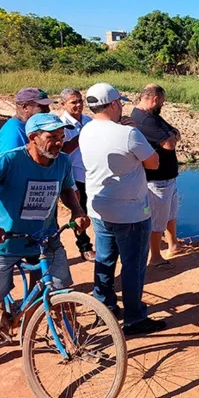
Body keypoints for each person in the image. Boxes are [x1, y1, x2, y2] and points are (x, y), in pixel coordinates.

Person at [0, 113, 90, 377]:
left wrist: (77, 211)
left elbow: (68, 190)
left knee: (62, 294)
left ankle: (71, 341)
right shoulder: (9, 160)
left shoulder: (63, 162)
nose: (59, 143)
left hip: (45, 239)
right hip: (6, 244)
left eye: (61, 137)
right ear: (33, 138)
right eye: (51, 138)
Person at [79, 82, 166, 335]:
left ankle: (104, 307)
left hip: (98, 207)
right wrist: (132, 131)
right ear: (115, 104)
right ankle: (135, 318)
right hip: (131, 212)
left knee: (105, 260)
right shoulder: (128, 134)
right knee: (134, 264)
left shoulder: (85, 130)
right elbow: (154, 163)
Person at [130, 84, 185, 269]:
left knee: (170, 213)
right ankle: (155, 255)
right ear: (154, 99)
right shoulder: (145, 120)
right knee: (158, 219)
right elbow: (170, 143)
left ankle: (173, 244)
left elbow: (175, 132)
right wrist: (172, 136)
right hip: (157, 179)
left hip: (167, 177)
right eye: (162, 100)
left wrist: (173, 135)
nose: (163, 103)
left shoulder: (152, 116)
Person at [59, 88, 96, 262]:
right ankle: (84, 247)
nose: (79, 105)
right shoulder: (61, 124)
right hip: (75, 176)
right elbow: (63, 150)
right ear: (63, 104)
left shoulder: (89, 120)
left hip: (93, 173)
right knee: (79, 212)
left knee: (98, 209)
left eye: (80, 101)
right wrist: (83, 136)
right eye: (74, 102)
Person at [0, 88, 54, 153]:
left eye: (47, 106)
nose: (48, 110)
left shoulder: (31, 126)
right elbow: (12, 161)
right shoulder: (13, 132)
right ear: (25, 107)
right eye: (42, 106)